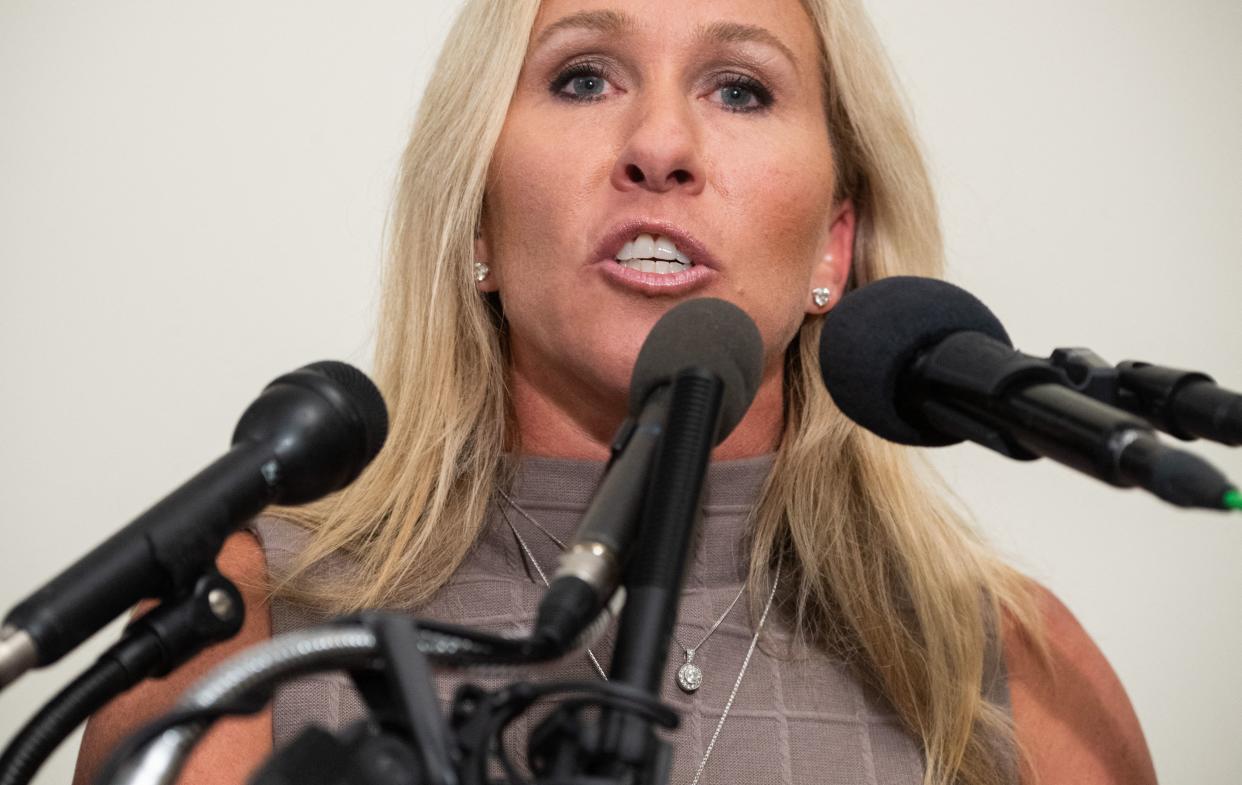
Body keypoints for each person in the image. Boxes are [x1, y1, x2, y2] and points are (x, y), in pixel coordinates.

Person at [72, 1, 1158, 783]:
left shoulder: (1013, 669)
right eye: (583, 75)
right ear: (479, 218)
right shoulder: (248, 621)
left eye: (741, 88)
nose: (660, 147)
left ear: (836, 241)